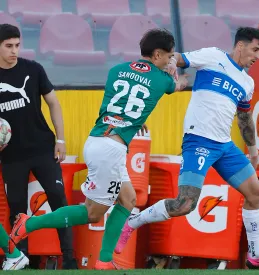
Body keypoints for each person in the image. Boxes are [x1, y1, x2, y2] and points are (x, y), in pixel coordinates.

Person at [8, 28, 188, 270]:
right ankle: (28, 225)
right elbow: (176, 85)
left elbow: (120, 102)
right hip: (110, 150)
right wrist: (178, 75)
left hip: (98, 140)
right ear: (157, 55)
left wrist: (133, 118)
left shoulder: (116, 70)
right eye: (168, 56)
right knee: (92, 213)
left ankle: (105, 261)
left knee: (128, 199)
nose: (169, 60)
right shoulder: (162, 79)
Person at [114, 27, 259, 269]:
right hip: (198, 141)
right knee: (184, 205)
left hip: (225, 146)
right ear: (240, 46)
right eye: (255, 49)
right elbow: (177, 57)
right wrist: (173, 64)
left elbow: (244, 117)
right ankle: (133, 221)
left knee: (256, 194)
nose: (258, 56)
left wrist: (253, 149)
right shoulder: (214, 56)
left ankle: (255, 255)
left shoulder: (247, 82)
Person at [0, 23, 76, 270]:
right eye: (8, 46)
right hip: (11, 157)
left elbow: (53, 103)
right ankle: (21, 258)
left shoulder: (33, 69)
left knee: (58, 199)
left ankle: (70, 258)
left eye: (17, 45)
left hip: (43, 149)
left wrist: (60, 139)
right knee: (17, 207)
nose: (14, 51)